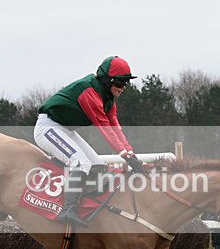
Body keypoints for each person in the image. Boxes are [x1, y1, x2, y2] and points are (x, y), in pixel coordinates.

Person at [33, 56, 143, 227]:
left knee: (97, 165)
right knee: (81, 163)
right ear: (107, 80)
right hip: (47, 128)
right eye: (120, 82)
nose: (124, 87)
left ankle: (85, 205)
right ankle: (67, 210)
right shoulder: (89, 92)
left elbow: (116, 128)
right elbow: (104, 128)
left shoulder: (108, 99)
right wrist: (125, 156)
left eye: (126, 82)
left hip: (64, 129)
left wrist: (131, 154)